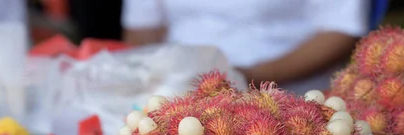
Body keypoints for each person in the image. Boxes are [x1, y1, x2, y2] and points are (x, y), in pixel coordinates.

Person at [121, 0, 380, 94]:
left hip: (291, 97)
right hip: (178, 93)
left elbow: (341, 30)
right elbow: (142, 28)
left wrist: (250, 77)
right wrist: (154, 75)